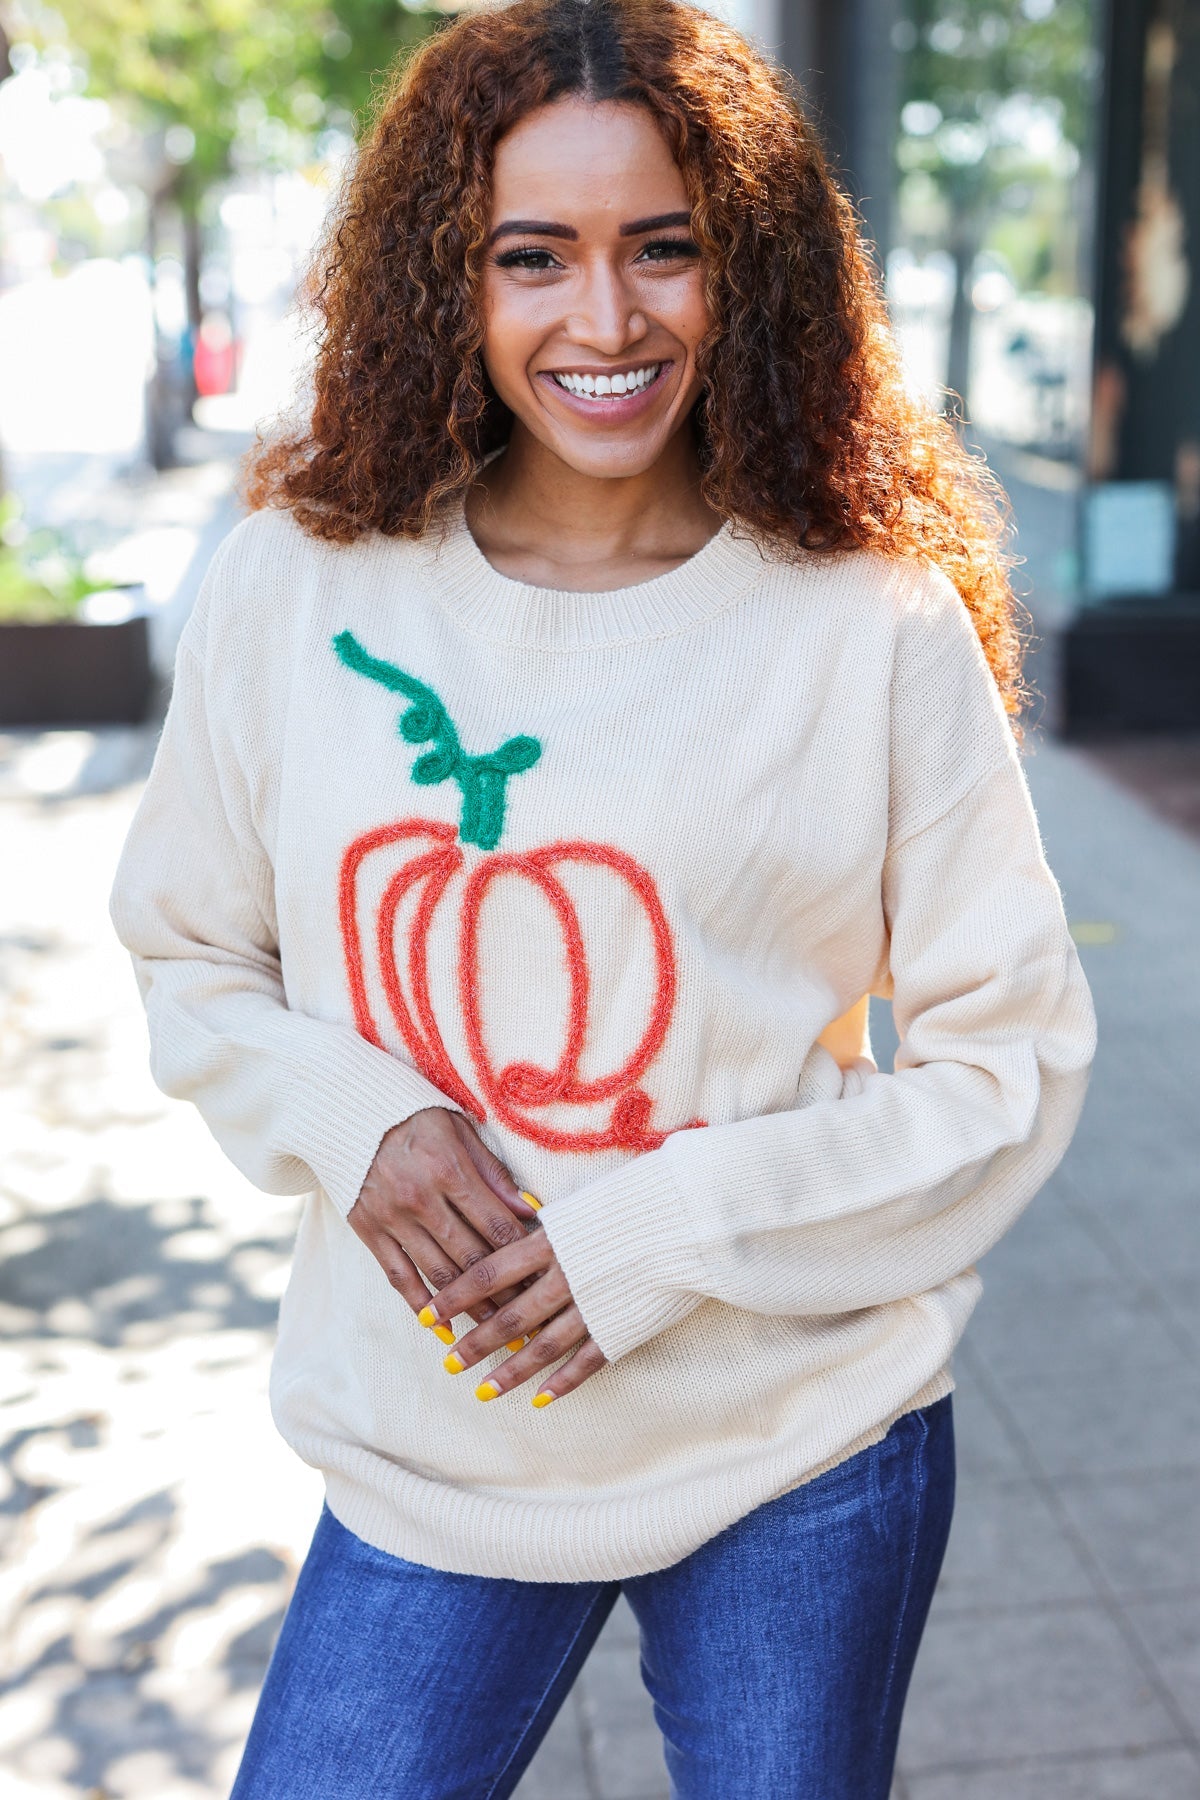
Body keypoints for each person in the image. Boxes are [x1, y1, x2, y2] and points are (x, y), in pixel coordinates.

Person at [108, 2, 1097, 1794]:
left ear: (753, 272)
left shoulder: (866, 622)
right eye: (531, 257)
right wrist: (362, 1117)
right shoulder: (299, 585)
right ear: (448, 279)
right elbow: (190, 946)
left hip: (797, 1435)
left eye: (666, 249)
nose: (605, 318)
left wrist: (658, 1231)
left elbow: (1007, 1062)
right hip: (433, 1445)